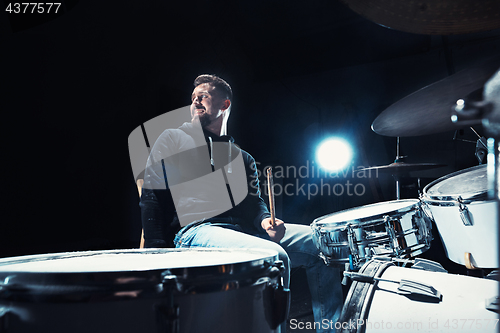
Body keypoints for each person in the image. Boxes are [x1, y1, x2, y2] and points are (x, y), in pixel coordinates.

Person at [140, 74, 343, 332]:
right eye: (192, 99)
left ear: (224, 105)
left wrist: (265, 220)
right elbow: (152, 195)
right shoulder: (173, 140)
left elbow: (251, 202)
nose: (195, 102)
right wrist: (157, 253)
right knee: (275, 257)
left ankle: (331, 329)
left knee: (323, 244)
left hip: (244, 233)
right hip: (197, 232)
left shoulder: (242, 157)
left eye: (203, 96)